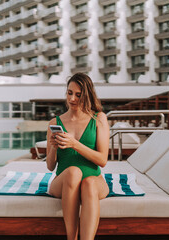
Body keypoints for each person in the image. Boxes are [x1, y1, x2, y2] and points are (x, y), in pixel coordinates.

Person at [46, 72, 110, 240]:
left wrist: (75, 144)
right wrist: (53, 148)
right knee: (74, 172)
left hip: (93, 180)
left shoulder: (99, 119)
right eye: (69, 93)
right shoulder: (55, 123)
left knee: (88, 183)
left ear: (87, 96)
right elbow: (50, 166)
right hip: (64, 180)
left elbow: (102, 160)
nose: (72, 99)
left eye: (78, 95)